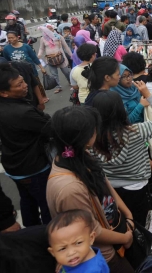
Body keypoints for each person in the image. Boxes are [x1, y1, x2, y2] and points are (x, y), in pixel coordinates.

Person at [46, 106, 135, 273]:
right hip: (103, 255)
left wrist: (128, 215)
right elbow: (90, 230)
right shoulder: (69, 188)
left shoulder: (80, 155)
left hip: (116, 233)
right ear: (86, 137)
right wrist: (125, 237)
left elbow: (106, 185)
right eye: (94, 129)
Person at [91, 85, 152, 225]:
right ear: (121, 110)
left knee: (117, 222)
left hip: (109, 188)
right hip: (136, 186)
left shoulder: (92, 138)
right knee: (139, 223)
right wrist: (148, 95)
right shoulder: (137, 130)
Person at [0, 63, 52, 227]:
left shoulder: (9, 105)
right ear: (4, 93)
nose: (25, 86)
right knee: (47, 205)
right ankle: (48, 236)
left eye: (23, 81)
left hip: (14, 165)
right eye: (19, 85)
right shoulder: (22, 113)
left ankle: (31, 232)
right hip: (33, 167)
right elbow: (51, 127)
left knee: (28, 201)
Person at [38, 25, 72, 94]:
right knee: (54, 74)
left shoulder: (58, 37)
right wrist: (39, 55)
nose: (49, 30)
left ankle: (71, 82)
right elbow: (41, 48)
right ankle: (58, 87)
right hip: (50, 59)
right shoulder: (43, 39)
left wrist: (72, 55)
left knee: (66, 72)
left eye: (51, 29)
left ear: (53, 29)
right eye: (48, 29)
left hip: (61, 57)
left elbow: (66, 46)